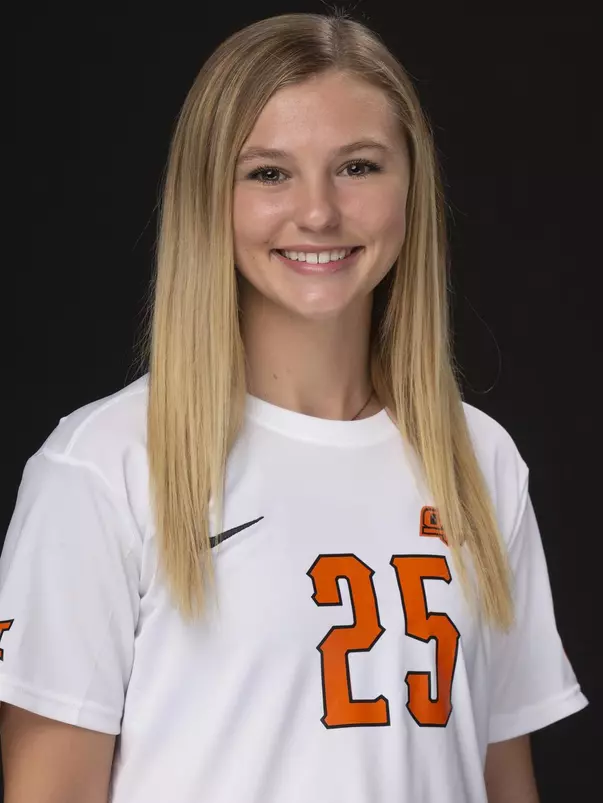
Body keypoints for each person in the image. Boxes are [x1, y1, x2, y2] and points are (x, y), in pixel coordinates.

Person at [0, 11, 588, 803]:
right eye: (268, 173)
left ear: (411, 184)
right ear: (208, 195)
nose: (317, 213)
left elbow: (502, 776)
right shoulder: (104, 465)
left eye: (357, 166)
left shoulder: (477, 459)